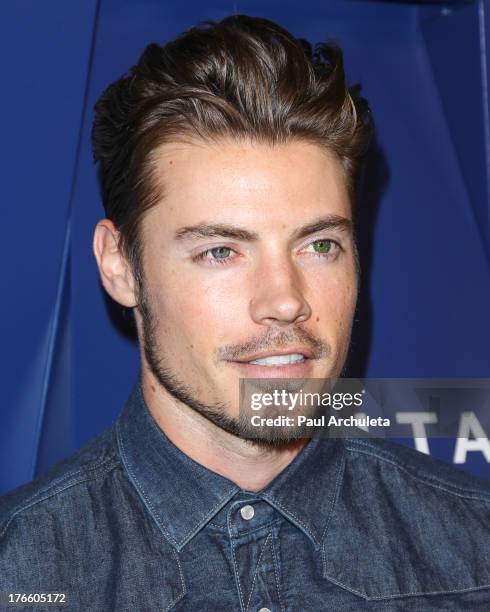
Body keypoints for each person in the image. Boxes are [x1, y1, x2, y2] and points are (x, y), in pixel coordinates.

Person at [1, 14, 489, 611]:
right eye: (222, 251)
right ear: (120, 265)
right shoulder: (18, 570)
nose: (285, 299)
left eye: (319, 245)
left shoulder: (474, 550)